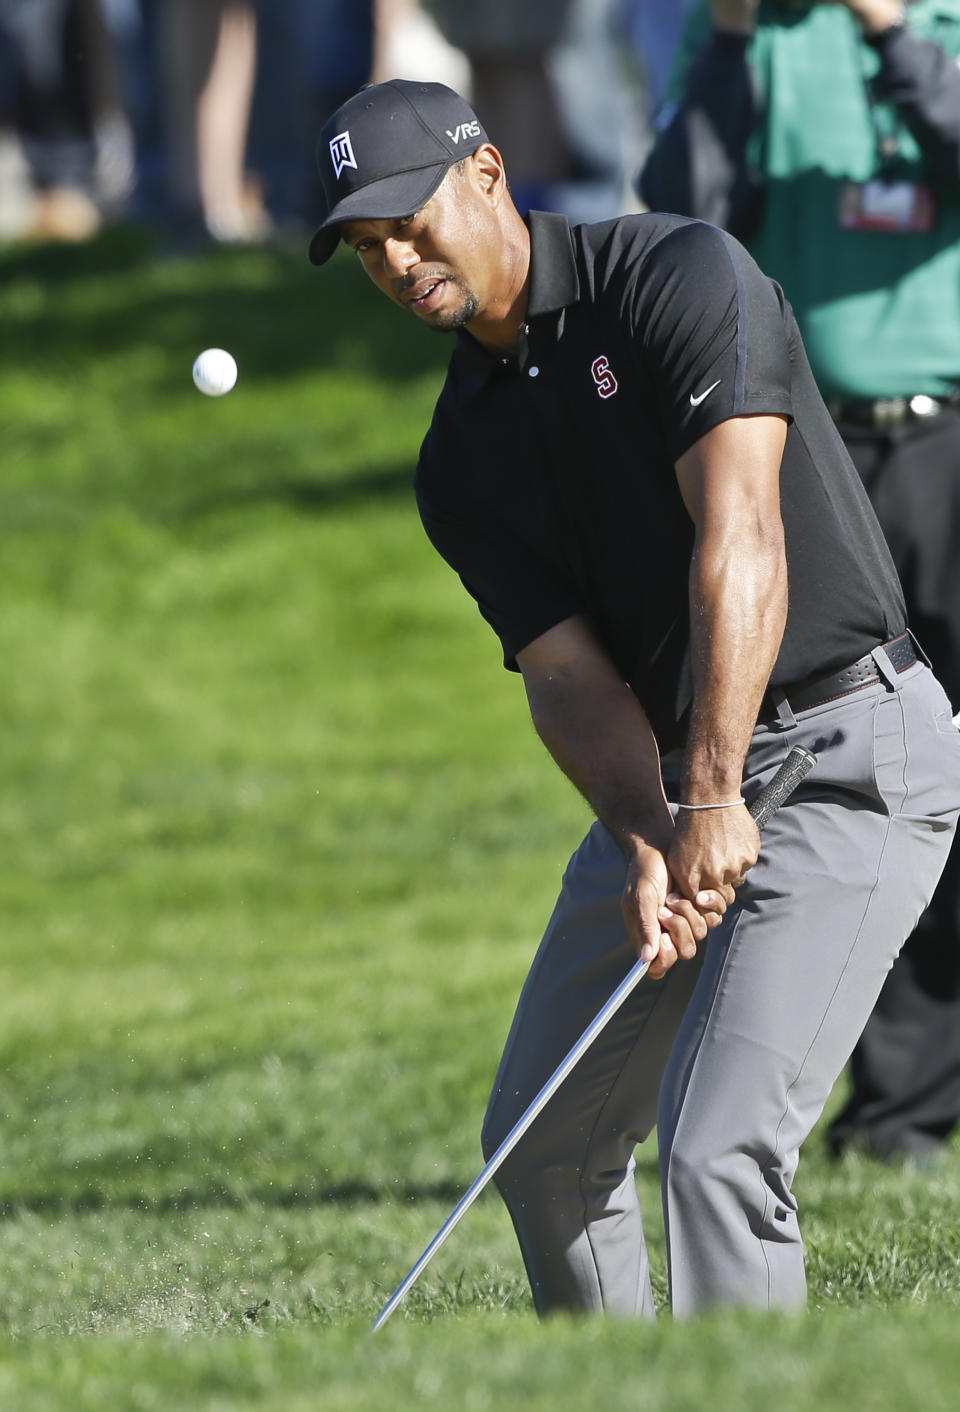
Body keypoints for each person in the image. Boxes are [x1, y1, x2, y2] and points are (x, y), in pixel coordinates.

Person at [308, 79, 960, 1316]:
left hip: (847, 752)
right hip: (678, 776)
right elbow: (566, 675)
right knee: (541, 1142)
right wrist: (646, 828)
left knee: (716, 1145)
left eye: (409, 219)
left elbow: (743, 536)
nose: (397, 261)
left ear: (489, 173)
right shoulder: (460, 460)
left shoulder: (674, 276)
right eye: (364, 245)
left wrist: (711, 791)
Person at [639, 0, 960, 1166]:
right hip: (810, 455)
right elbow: (682, 208)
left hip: (951, 428)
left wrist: (891, 33)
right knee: (856, 784)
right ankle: (896, 1110)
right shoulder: (756, 28)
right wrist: (726, 44)